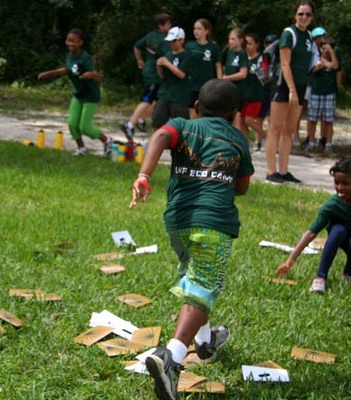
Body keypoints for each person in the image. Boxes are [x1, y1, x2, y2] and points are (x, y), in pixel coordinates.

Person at [129, 79, 254, 400]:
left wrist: (144, 175)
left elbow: (159, 135)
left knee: (194, 275)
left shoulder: (183, 125)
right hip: (213, 223)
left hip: (178, 222)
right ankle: (172, 356)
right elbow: (241, 188)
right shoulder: (239, 140)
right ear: (234, 113)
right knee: (204, 286)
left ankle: (205, 340)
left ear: (197, 105)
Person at [277, 158, 351, 293]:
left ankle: (348, 274)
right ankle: (321, 277)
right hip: (341, 236)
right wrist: (290, 260)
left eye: (346, 183)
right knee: (337, 231)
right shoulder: (331, 206)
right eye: (336, 182)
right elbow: (311, 233)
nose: (340, 187)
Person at [37, 28, 112, 156]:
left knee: (85, 127)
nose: (71, 44)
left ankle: (107, 141)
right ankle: (81, 148)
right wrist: (49, 73)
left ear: (81, 43)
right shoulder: (69, 56)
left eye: (74, 41)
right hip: (78, 94)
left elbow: (97, 76)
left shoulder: (85, 57)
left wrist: (89, 74)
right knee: (72, 123)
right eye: (68, 41)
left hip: (90, 95)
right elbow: (67, 70)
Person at [265, 0, 315, 183]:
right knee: (275, 128)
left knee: (289, 130)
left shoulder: (309, 36)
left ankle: (284, 170)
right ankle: (271, 171)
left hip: (300, 85)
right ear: (295, 15)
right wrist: (292, 90)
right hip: (284, 85)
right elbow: (285, 64)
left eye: (308, 14)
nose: (304, 17)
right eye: (301, 14)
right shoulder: (289, 33)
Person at [120, 13, 172, 138]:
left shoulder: (150, 35)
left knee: (156, 101)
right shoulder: (164, 40)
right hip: (156, 74)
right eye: (168, 24)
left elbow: (137, 46)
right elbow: (169, 56)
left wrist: (139, 60)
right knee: (148, 99)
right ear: (161, 25)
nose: (170, 26)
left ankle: (141, 119)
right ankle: (130, 124)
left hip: (147, 70)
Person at [305, 27, 340, 153]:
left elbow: (336, 66)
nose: (321, 41)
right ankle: (311, 141)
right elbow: (310, 70)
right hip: (315, 89)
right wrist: (321, 64)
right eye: (317, 39)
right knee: (312, 118)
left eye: (322, 38)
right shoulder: (313, 53)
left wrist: (330, 52)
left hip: (329, 90)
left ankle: (328, 143)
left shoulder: (335, 51)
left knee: (328, 119)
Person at [151, 27, 191, 129]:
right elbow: (162, 76)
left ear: (181, 40)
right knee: (157, 122)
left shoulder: (186, 55)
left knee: (180, 126)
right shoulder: (167, 55)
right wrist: (159, 66)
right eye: (169, 41)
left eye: (173, 41)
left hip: (179, 96)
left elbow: (182, 74)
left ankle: (180, 144)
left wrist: (167, 64)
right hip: (165, 93)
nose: (171, 43)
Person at [185, 19, 222, 119]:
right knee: (193, 113)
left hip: (208, 86)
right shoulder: (189, 46)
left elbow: (218, 66)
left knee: (206, 112)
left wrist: (220, 82)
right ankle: (193, 133)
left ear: (207, 31)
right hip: (193, 85)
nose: (196, 31)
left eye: (199, 29)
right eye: (195, 28)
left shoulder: (213, 47)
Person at [242, 33, 266, 150]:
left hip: (256, 94)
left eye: (250, 43)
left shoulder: (261, 58)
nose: (247, 46)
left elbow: (266, 76)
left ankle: (266, 137)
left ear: (256, 45)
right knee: (242, 121)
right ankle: (247, 144)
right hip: (244, 94)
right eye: (245, 43)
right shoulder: (243, 58)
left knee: (249, 120)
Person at [221, 28, 248, 135]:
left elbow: (243, 73)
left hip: (238, 91)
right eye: (229, 39)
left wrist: (226, 78)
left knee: (236, 118)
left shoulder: (242, 54)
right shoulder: (229, 53)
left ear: (241, 40)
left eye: (233, 39)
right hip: (228, 89)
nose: (230, 42)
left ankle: (237, 143)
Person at [257, 33, 278, 151]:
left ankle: (270, 142)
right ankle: (258, 141)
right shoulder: (263, 57)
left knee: (271, 118)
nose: (269, 46)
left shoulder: (278, 57)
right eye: (267, 43)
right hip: (263, 89)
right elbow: (262, 74)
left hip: (273, 89)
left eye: (271, 44)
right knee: (259, 117)